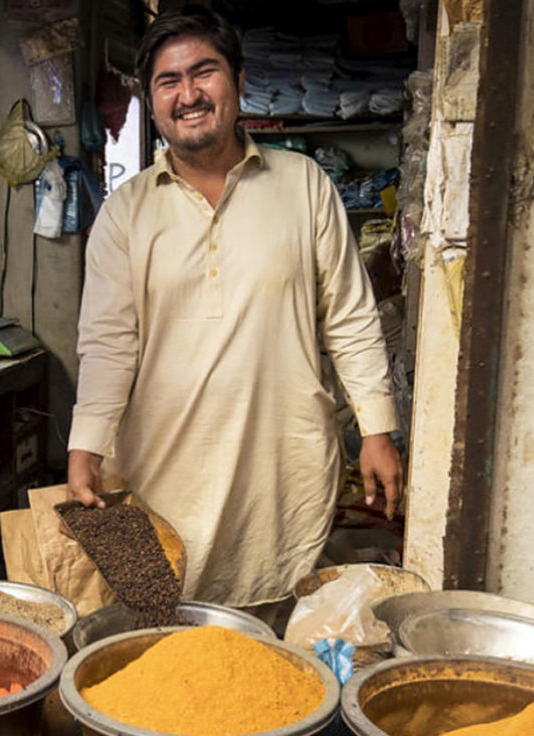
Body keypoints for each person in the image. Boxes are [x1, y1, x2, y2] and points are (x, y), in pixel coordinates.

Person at [66, 5, 403, 617]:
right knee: (163, 636)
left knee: (271, 641)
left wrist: (376, 428)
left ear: (239, 80)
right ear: (152, 98)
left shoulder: (305, 186)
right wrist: (84, 446)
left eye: (205, 72)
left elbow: (350, 318)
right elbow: (108, 344)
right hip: (162, 469)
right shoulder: (126, 213)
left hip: (281, 471)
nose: (188, 95)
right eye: (169, 82)